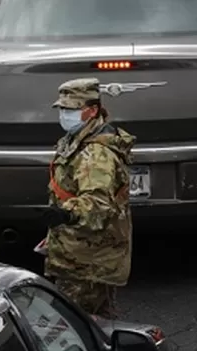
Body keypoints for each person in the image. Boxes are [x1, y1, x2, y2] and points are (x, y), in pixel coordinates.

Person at [42, 78, 136, 318]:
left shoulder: (95, 154)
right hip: (78, 253)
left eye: (71, 109)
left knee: (75, 327)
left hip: (87, 263)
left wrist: (66, 214)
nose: (65, 114)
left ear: (92, 110)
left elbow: (98, 204)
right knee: (96, 324)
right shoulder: (77, 139)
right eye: (62, 108)